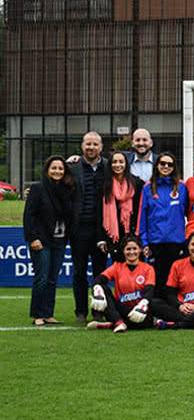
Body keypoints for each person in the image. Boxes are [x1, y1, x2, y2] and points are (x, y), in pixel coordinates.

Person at [24, 155, 74, 326]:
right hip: (41, 240)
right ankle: (37, 314)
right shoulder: (37, 189)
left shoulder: (67, 190)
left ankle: (48, 313)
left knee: (53, 278)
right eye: (54, 168)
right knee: (42, 277)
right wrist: (33, 238)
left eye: (61, 168)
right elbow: (29, 216)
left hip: (60, 241)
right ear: (47, 170)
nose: (57, 171)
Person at [68, 131, 109, 324]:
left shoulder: (109, 166)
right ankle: (80, 311)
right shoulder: (72, 167)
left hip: (101, 230)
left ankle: (99, 310)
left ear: (101, 147)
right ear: (82, 146)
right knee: (79, 272)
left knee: (100, 274)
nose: (91, 147)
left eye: (95, 144)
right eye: (88, 144)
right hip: (79, 229)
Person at [149, 230, 194, 330]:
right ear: (188, 246)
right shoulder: (177, 265)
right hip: (181, 310)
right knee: (154, 303)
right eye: (193, 244)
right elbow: (170, 294)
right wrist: (180, 306)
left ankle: (178, 324)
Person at [137, 152, 189, 297]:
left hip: (176, 243)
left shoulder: (182, 187)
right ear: (157, 165)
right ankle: (158, 315)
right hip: (156, 243)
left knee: (176, 281)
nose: (166, 167)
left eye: (170, 164)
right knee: (158, 281)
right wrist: (145, 242)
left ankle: (175, 313)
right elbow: (142, 217)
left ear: (174, 167)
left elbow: (189, 213)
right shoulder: (148, 188)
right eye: (163, 164)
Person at [87, 236, 155, 333]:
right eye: (128, 249)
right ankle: (118, 322)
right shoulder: (117, 267)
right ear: (123, 251)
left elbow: (150, 290)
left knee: (149, 314)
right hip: (121, 309)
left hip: (139, 310)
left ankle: (111, 324)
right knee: (103, 288)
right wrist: (97, 289)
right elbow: (98, 279)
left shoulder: (148, 268)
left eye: (134, 249)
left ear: (140, 250)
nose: (131, 252)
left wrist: (143, 304)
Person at [98, 150, 143, 263]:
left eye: (121, 162)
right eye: (114, 162)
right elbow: (99, 213)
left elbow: (141, 210)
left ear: (126, 164)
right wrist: (101, 238)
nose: (118, 165)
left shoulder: (136, 183)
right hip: (114, 236)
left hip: (132, 235)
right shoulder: (104, 185)